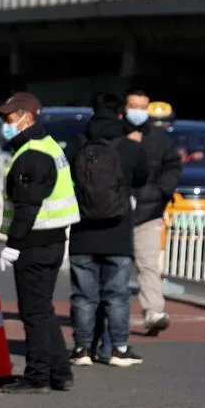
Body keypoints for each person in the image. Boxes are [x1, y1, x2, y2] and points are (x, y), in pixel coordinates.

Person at [0, 91, 80, 394]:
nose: (5, 123)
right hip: (51, 239)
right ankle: (60, 372)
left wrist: (13, 244)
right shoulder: (46, 146)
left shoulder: (32, 153)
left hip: (35, 241)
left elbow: (28, 205)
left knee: (32, 312)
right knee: (42, 309)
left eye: (9, 117)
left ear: (27, 117)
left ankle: (37, 376)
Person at [67, 94, 149, 369]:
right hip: (118, 232)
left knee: (83, 296)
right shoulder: (129, 147)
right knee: (117, 295)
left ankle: (81, 349)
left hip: (82, 232)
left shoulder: (77, 145)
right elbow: (142, 177)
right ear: (120, 115)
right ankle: (119, 349)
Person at [125, 88, 181, 337]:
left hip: (149, 212)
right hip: (117, 212)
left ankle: (154, 312)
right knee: (116, 267)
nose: (137, 111)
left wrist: (160, 193)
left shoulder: (159, 140)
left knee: (148, 264)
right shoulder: (114, 136)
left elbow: (172, 167)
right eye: (132, 105)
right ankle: (108, 314)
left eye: (141, 106)